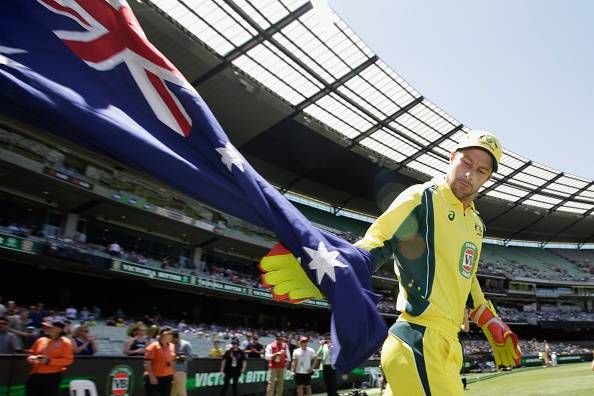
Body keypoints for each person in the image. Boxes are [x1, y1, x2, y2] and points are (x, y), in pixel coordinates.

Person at [260, 131, 522, 395]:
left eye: (481, 170)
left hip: (450, 346)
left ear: (488, 177)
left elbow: (467, 274)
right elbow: (379, 241)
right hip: (418, 340)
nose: (470, 174)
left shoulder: (476, 225)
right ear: (452, 156)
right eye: (466, 162)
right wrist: (332, 268)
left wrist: (489, 319)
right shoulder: (423, 198)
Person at [26, 320, 74, 396]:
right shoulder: (40, 340)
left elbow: (68, 360)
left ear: (59, 330)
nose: (45, 328)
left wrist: (49, 361)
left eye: (49, 327)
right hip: (34, 375)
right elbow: (31, 354)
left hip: (52, 377)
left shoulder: (66, 342)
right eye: (45, 327)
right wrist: (32, 358)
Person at [144, 326, 175, 396]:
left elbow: (172, 362)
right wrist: (152, 377)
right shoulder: (153, 346)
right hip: (155, 377)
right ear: (162, 335)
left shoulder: (172, 346)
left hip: (167, 377)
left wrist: (172, 376)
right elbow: (147, 364)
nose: (171, 336)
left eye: (172, 335)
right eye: (169, 334)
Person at [171, 330, 193, 396]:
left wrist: (178, 357)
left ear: (176, 338)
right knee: (172, 393)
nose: (171, 341)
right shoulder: (170, 345)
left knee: (182, 393)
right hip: (169, 372)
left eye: (172, 339)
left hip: (180, 372)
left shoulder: (186, 344)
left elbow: (190, 357)